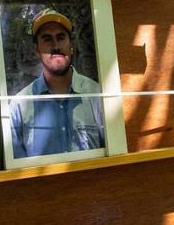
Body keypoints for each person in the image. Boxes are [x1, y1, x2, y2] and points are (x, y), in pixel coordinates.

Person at [9, 10, 105, 158]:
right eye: (47, 39)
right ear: (37, 50)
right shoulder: (19, 106)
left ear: (71, 46)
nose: (56, 46)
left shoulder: (98, 95)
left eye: (61, 37)